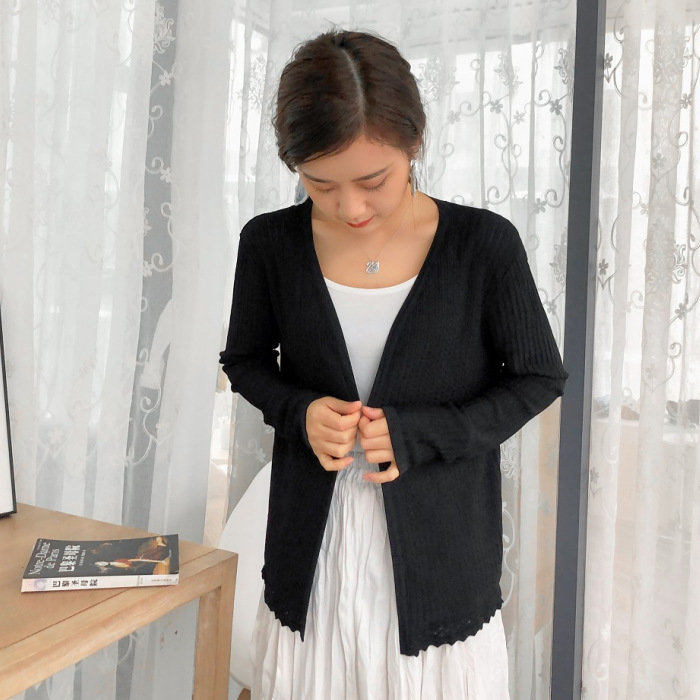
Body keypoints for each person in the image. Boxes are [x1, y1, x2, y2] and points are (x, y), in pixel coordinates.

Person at [219, 29, 567, 700]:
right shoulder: (269, 244)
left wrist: (422, 434)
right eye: (319, 184)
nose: (349, 207)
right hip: (312, 556)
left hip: (441, 559)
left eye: (372, 181)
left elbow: (538, 377)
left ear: (415, 142)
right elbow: (245, 360)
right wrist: (299, 411)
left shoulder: (483, 246)